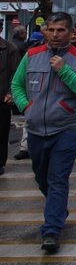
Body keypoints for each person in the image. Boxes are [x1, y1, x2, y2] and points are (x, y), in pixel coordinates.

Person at [10, 12, 76, 253]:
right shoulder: (31, 55)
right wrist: (26, 106)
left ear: (71, 33)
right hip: (36, 128)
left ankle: (51, 231)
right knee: (41, 177)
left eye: (61, 30)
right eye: (52, 30)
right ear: (45, 31)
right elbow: (16, 85)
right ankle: (58, 208)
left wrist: (64, 71)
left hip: (66, 128)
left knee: (57, 178)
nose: (56, 35)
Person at [0, 22, 22, 176]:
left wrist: (10, 93)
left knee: (1, 131)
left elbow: (16, 74)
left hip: (2, 98)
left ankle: (0, 162)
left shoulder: (9, 48)